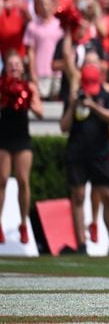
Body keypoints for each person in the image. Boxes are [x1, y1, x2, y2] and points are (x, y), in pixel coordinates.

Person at [59, 61, 109, 254]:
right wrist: (72, 105)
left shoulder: (106, 95)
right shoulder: (73, 97)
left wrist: (93, 105)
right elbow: (63, 127)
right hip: (77, 153)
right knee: (78, 196)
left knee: (108, 196)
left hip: (100, 153)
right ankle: (81, 243)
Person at [0, 51, 43, 244]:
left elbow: (40, 112)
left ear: (22, 68)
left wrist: (28, 100)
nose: (14, 67)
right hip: (3, 139)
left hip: (22, 139)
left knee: (23, 181)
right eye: (11, 64)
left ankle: (24, 223)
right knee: (1, 180)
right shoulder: (1, 87)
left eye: (17, 64)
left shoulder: (30, 86)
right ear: (6, 68)